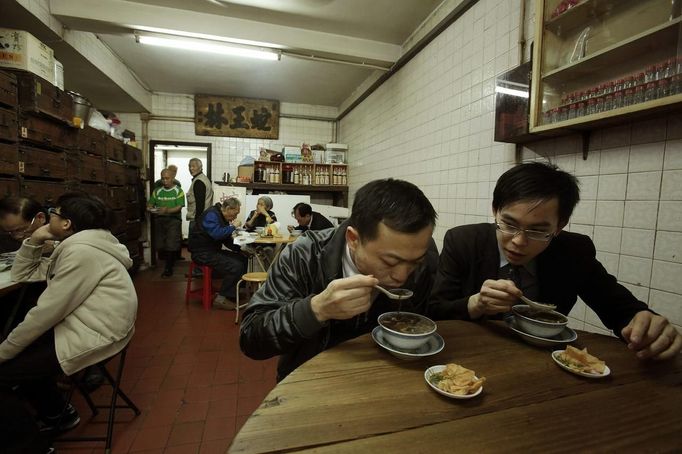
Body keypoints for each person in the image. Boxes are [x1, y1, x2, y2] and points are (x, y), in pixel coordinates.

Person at [429, 162, 681, 361]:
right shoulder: (463, 240)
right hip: (470, 359)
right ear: (495, 210)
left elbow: (618, 308)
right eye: (509, 224)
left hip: (544, 364)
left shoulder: (574, 251)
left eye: (538, 231)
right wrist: (476, 303)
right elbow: (435, 310)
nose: (518, 241)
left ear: (560, 226)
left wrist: (647, 326)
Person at [240, 179, 439, 381]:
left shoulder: (423, 258)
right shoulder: (305, 254)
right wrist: (316, 309)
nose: (402, 276)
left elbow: (426, 321)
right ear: (353, 239)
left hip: (387, 379)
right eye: (390, 261)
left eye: (414, 263)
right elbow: (251, 339)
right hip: (311, 381)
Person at [0, 192, 137, 452]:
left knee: (7, 368)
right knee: (22, 355)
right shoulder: (83, 244)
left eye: (53, 213)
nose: (48, 216)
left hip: (97, 333)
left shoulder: (81, 253)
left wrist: (4, 351)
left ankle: (31, 447)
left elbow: (44, 315)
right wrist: (36, 238)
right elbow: (23, 273)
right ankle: (57, 415)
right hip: (87, 324)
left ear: (66, 224)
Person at [188, 197, 248, 310]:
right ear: (228, 208)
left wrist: (240, 249)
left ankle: (235, 292)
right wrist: (233, 227)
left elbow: (225, 239)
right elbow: (217, 234)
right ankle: (221, 299)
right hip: (202, 253)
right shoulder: (211, 215)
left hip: (212, 251)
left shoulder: (222, 217)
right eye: (235, 214)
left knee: (242, 259)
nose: (235, 217)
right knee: (235, 265)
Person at [148, 169, 185, 277]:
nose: (165, 181)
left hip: (174, 220)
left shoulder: (178, 191)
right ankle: (167, 261)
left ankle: (168, 268)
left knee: (171, 243)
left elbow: (179, 207)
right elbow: (150, 204)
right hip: (159, 220)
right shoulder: (157, 191)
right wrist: (150, 208)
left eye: (167, 178)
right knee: (159, 244)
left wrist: (167, 210)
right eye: (163, 178)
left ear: (173, 178)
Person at [186, 158, 214, 233]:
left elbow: (200, 205)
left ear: (200, 167)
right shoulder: (202, 179)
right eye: (189, 166)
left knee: (194, 243)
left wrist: (197, 224)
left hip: (198, 220)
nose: (191, 168)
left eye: (193, 166)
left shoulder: (199, 181)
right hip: (203, 219)